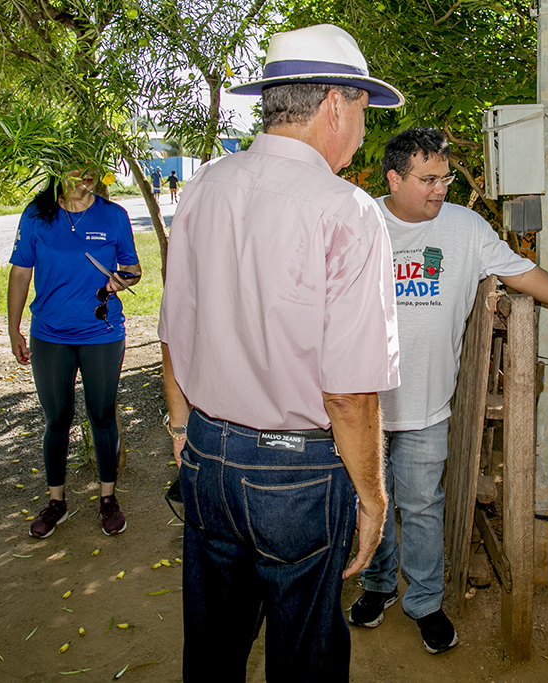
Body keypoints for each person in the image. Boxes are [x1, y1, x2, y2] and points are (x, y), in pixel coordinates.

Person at [159, 24, 404, 681]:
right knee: (306, 659)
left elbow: (173, 330)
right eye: (361, 110)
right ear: (334, 103)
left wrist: (184, 430)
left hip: (207, 455)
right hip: (296, 479)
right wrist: (373, 498)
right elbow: (349, 393)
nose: (361, 128)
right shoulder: (348, 211)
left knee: (211, 652)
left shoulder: (204, 188)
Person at [347, 127, 548, 654]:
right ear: (394, 178)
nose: (440, 189)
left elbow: (520, 272)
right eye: (427, 179)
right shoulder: (357, 220)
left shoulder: (465, 228)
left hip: (425, 405)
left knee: (420, 505)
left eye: (443, 177)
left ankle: (424, 600)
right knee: (367, 501)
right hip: (360, 406)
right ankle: (377, 585)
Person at [7, 168, 142, 539]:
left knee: (102, 414)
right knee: (57, 419)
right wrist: (13, 328)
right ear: (57, 172)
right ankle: (56, 503)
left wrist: (121, 279)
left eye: (90, 172)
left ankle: (108, 499)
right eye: (74, 171)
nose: (83, 178)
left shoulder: (113, 215)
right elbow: (20, 274)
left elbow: (133, 268)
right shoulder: (37, 214)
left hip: (101, 333)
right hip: (50, 334)